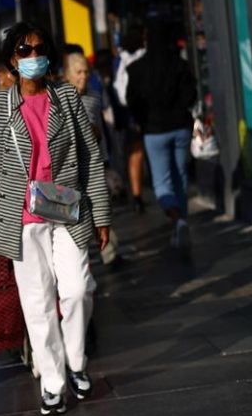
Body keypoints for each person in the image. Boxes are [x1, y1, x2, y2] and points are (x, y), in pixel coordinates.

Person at [0, 21, 111, 416]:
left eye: (39, 50)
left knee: (77, 289)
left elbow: (90, 159)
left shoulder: (68, 98)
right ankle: (53, 383)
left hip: (68, 209)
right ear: (11, 60)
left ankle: (76, 363)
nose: (33, 57)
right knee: (37, 303)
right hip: (21, 216)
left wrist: (102, 215)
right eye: (24, 51)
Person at [127, 22, 197, 250]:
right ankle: (181, 223)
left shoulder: (137, 69)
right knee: (181, 178)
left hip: (154, 130)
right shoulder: (180, 65)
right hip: (180, 128)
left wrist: (141, 122)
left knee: (162, 183)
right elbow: (190, 96)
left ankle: (178, 220)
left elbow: (133, 101)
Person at [65, 53, 122, 265]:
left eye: (86, 72)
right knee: (77, 213)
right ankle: (83, 259)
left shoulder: (93, 97)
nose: (83, 76)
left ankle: (110, 252)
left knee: (101, 206)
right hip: (71, 167)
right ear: (68, 75)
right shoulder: (61, 99)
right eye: (78, 72)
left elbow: (101, 130)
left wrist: (106, 157)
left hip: (95, 162)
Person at [114, 24, 147, 213]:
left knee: (135, 154)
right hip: (139, 111)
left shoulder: (120, 60)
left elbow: (118, 90)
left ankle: (136, 195)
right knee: (138, 153)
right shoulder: (141, 57)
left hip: (129, 112)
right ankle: (138, 194)